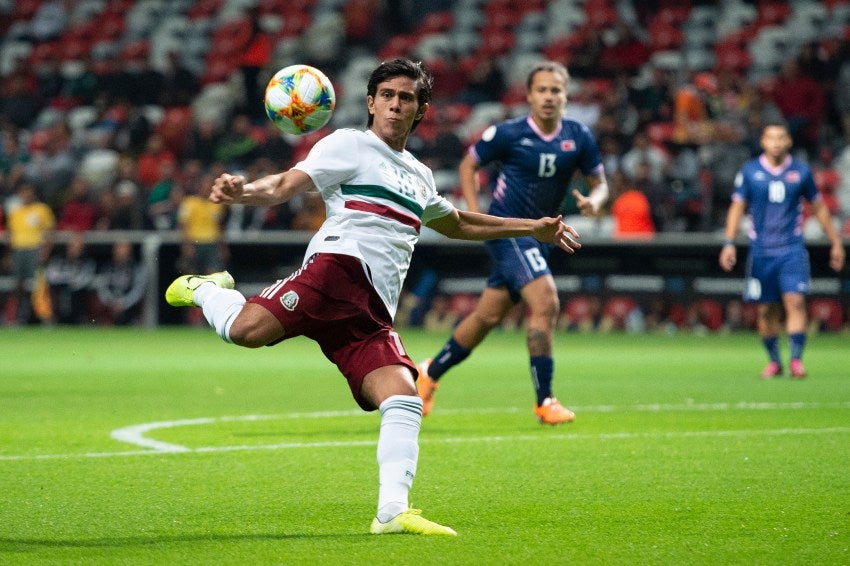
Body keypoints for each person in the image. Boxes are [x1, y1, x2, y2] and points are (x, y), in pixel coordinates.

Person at [163, 59, 582, 536]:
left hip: (373, 309)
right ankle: (207, 289)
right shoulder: (349, 144)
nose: (395, 104)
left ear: (420, 110)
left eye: (406, 98)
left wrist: (534, 228)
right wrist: (243, 193)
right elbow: (284, 184)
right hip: (336, 271)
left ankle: (391, 513)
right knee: (245, 332)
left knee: (404, 396)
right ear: (370, 102)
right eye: (387, 95)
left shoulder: (420, 176)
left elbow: (460, 223)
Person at [417, 61, 609, 425]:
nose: (549, 96)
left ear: (565, 95)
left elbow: (600, 184)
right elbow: (468, 166)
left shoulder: (579, 136)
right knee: (546, 301)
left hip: (542, 237)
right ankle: (545, 400)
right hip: (510, 232)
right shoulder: (508, 133)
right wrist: (476, 219)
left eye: (556, 90)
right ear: (529, 95)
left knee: (487, 316)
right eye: (542, 90)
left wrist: (593, 202)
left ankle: (430, 372)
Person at [719, 121, 845, 379]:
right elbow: (737, 207)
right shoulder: (750, 172)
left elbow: (819, 207)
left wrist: (835, 241)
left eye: (781, 138)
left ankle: (796, 361)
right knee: (766, 310)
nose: (776, 143)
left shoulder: (801, 172)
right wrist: (729, 242)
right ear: (763, 142)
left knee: (795, 301)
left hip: (792, 249)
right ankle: (775, 361)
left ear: (788, 141)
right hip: (762, 250)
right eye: (770, 138)